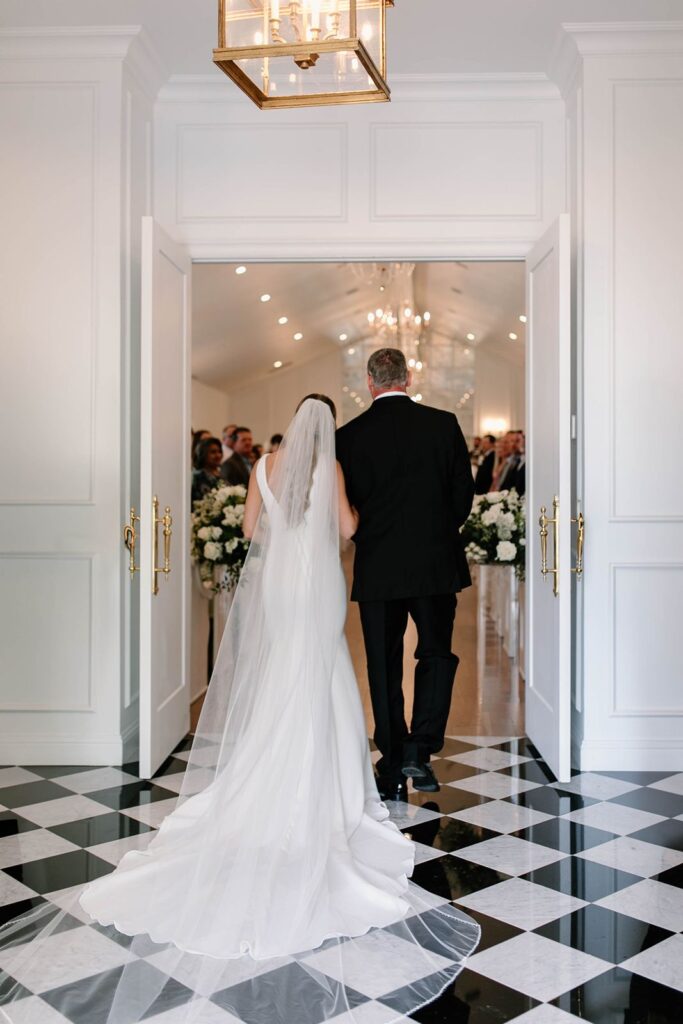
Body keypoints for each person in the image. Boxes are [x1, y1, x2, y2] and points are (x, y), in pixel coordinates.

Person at [0, 395, 480, 1024]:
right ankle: (329, 789)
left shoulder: (261, 468)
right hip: (320, 586)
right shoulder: (329, 469)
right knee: (323, 675)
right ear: (328, 427)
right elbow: (348, 529)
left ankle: (264, 775)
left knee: (282, 674)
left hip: (280, 583)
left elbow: (253, 532)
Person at [336, 349, 474, 801]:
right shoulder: (443, 423)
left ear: (370, 380)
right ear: (409, 377)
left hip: (378, 566)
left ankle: (392, 758)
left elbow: (346, 508)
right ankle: (421, 746)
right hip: (436, 562)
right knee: (436, 655)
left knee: (383, 663)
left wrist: (373, 539)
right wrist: (435, 533)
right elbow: (462, 496)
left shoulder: (349, 436)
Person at [191, 435, 223, 504]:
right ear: (203, 454)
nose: (218, 455)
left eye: (219, 451)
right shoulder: (198, 477)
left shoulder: (221, 473)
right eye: (213, 452)